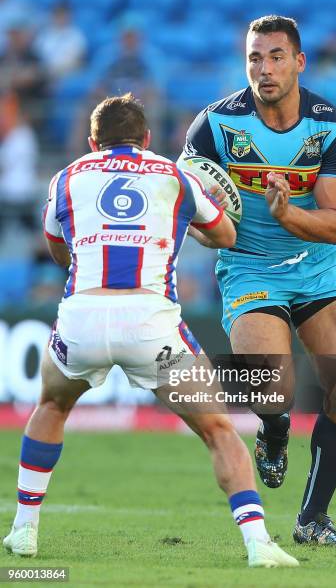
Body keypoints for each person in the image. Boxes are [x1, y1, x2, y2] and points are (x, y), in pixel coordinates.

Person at [3, 93, 298, 569]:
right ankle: (258, 543)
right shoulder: (175, 175)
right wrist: (211, 209)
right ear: (147, 138)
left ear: (92, 141)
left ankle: (23, 531)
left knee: (51, 406)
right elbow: (226, 236)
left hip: (83, 317)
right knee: (218, 428)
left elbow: (59, 252)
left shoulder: (66, 178)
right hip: (151, 325)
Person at [180, 15, 336, 547]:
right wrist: (209, 229)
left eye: (277, 56)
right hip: (248, 265)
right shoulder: (212, 127)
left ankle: (312, 520)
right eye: (255, 58)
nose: (265, 68)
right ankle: (274, 427)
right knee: (270, 386)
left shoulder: (331, 126)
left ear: (299, 62)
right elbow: (184, 206)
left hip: (317, 263)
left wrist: (289, 217)